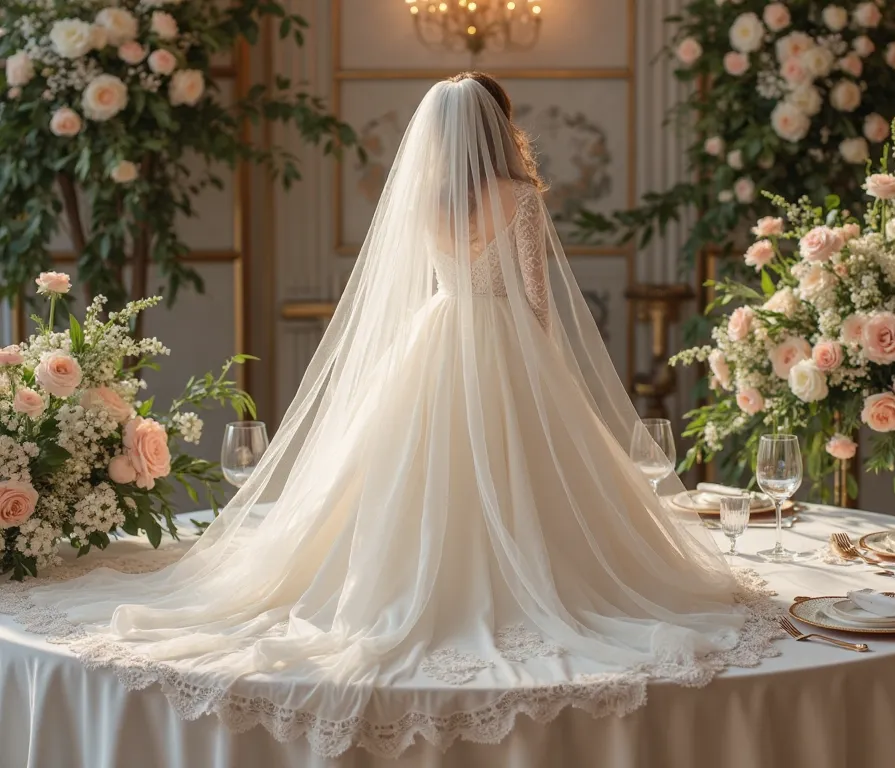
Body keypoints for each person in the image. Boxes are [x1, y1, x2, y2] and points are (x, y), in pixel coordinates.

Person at [17, 73, 776, 759]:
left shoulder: (428, 195)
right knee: (523, 471)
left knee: (405, 473)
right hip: (503, 343)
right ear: (496, 127)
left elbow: (418, 284)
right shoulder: (519, 198)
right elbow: (537, 305)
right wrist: (545, 383)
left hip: (435, 336)